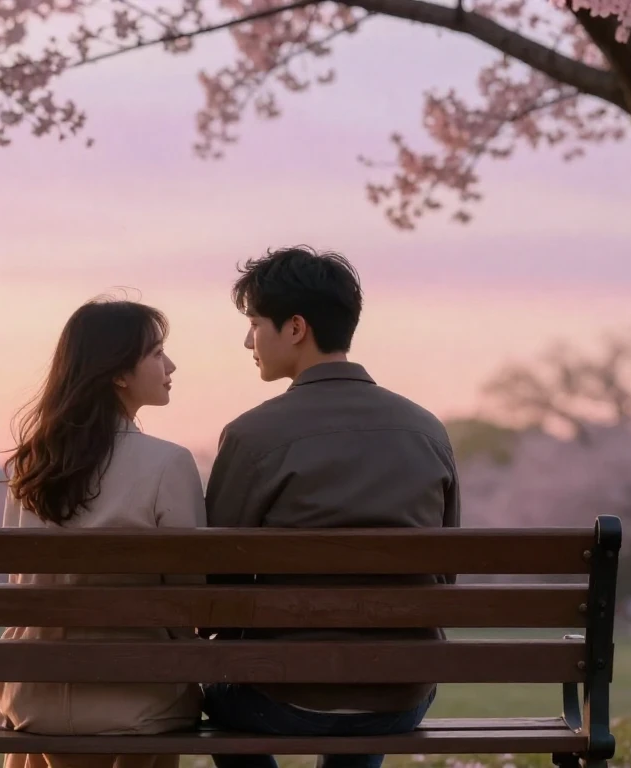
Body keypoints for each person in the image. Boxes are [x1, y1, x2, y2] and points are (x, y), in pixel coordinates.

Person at [200, 247, 460, 768]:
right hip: (399, 697)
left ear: (295, 328)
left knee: (221, 689)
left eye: (254, 324)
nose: (247, 340)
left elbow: (213, 582)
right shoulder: (427, 430)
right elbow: (443, 577)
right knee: (368, 695)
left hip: (280, 697)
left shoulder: (253, 436)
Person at [0, 299, 206, 768]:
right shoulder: (169, 463)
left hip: (34, 694)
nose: (170, 365)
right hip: (139, 696)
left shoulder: (32, 464)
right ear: (118, 374)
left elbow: (23, 586)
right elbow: (191, 598)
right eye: (157, 354)